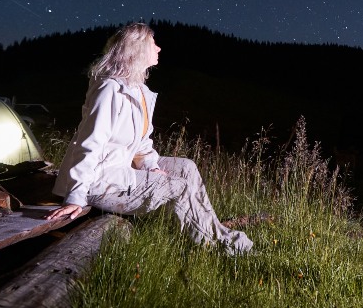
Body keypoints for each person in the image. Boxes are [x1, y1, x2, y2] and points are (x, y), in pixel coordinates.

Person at [47, 22, 253, 255]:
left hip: (121, 171)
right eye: (153, 43)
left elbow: (142, 143)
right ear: (137, 49)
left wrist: (151, 167)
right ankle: (216, 248)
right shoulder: (109, 89)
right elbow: (89, 143)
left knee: (186, 167)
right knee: (178, 187)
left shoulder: (139, 91)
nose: (159, 49)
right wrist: (76, 195)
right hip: (99, 179)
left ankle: (215, 231)